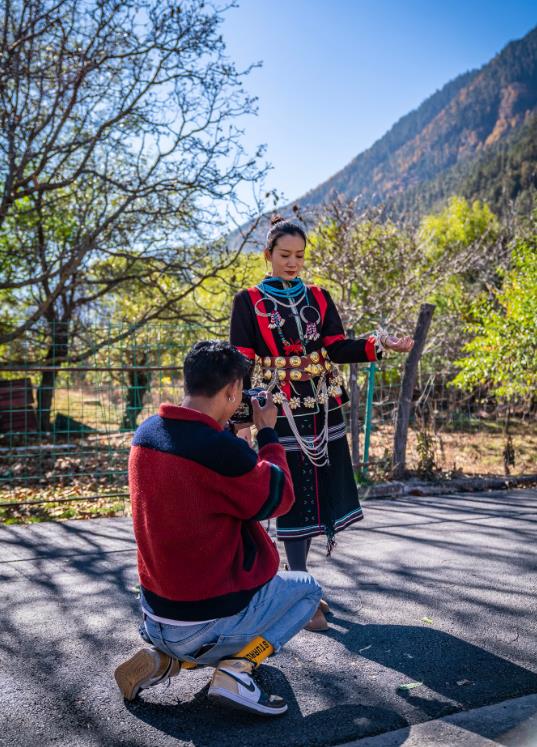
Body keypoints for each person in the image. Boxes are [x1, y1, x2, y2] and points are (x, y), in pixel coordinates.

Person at [114, 340, 322, 716]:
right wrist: (268, 435)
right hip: (206, 620)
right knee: (308, 589)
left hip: (156, 616)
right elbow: (280, 496)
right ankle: (237, 670)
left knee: (184, 629)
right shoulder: (222, 453)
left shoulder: (145, 435)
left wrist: (227, 431)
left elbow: (203, 482)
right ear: (232, 390)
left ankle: (165, 661)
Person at [230, 214, 414, 632]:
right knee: (291, 496)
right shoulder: (249, 301)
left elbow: (336, 347)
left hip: (322, 407)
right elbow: (240, 359)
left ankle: (301, 587)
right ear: (268, 255)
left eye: (299, 256)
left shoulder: (319, 297)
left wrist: (377, 343)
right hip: (279, 409)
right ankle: (299, 591)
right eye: (284, 255)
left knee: (315, 494)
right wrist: (238, 416)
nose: (292, 263)